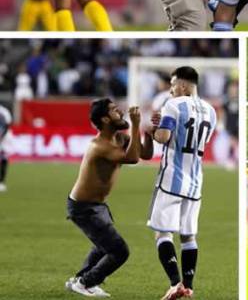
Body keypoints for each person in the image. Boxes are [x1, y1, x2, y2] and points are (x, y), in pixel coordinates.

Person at [148, 66, 216, 300]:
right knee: (188, 236)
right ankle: (189, 286)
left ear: (184, 86)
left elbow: (165, 138)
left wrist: (153, 130)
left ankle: (175, 283)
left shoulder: (173, 105)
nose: (170, 89)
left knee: (162, 233)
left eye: (173, 84)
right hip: (195, 180)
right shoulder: (211, 111)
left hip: (171, 178)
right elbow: (202, 142)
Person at [65, 100, 144, 297]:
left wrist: (149, 133)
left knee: (104, 246)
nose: (120, 111)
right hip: (83, 208)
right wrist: (136, 125)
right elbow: (133, 158)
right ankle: (85, 283)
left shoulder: (119, 138)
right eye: (114, 110)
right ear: (105, 119)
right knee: (119, 251)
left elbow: (144, 153)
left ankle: (80, 280)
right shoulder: (99, 145)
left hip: (96, 205)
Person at [0, 104, 10, 192]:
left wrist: (1, 136)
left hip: (3, 139)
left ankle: (1, 182)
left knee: (3, 158)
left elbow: (7, 126)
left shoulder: (4, 111)